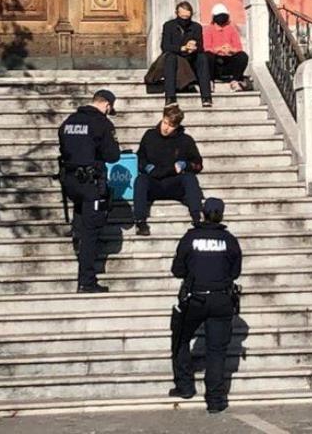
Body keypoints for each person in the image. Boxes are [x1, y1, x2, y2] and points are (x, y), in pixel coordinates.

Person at [169, 197, 242, 414]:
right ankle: (215, 400)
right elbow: (235, 272)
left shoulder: (190, 238)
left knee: (180, 338)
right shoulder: (229, 240)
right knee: (216, 351)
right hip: (221, 300)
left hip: (195, 298)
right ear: (222, 214)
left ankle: (185, 386)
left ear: (202, 213)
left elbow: (177, 270)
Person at [58, 89, 121, 293]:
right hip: (90, 182)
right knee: (91, 231)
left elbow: (64, 147)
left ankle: (77, 235)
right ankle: (86, 281)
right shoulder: (102, 124)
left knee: (80, 215)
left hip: (69, 180)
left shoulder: (69, 121)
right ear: (107, 105)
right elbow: (113, 156)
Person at [133, 105, 203, 237]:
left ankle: (197, 217)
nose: (166, 128)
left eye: (170, 125)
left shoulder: (185, 140)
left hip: (174, 182)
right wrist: (146, 166)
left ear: (176, 126)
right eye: (165, 122)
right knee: (140, 180)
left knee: (189, 179)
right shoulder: (149, 135)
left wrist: (185, 165)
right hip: (154, 181)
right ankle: (140, 221)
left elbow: (198, 165)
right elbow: (140, 157)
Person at [161, 1, 212, 107]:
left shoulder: (196, 27)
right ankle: (170, 97)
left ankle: (206, 97)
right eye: (182, 16)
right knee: (170, 58)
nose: (185, 20)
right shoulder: (168, 26)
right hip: (175, 57)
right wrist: (182, 48)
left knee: (202, 58)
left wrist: (194, 46)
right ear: (177, 13)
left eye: (187, 17)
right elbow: (165, 46)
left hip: (190, 58)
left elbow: (201, 47)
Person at [203, 3, 249, 91]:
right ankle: (210, 82)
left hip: (228, 60)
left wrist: (230, 50)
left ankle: (235, 81)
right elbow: (206, 47)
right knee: (207, 56)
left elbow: (238, 48)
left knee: (243, 56)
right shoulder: (208, 30)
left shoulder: (231, 29)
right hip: (215, 62)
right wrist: (219, 49)